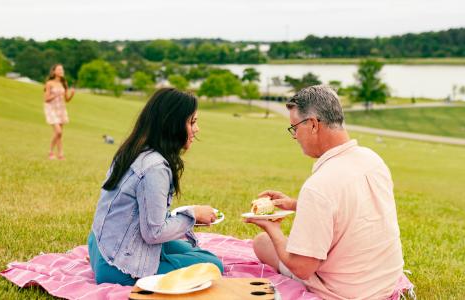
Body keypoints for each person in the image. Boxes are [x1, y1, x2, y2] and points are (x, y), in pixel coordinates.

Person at [245, 85, 405, 299]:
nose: (294, 136)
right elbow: (349, 208)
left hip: (347, 292)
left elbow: (303, 268)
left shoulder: (319, 186)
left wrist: (272, 227)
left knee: (262, 243)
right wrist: (293, 204)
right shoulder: (372, 159)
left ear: (312, 124)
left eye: (294, 128)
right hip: (386, 280)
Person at [88, 88, 223, 286]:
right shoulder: (154, 167)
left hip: (101, 247)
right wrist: (192, 215)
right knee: (213, 265)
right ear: (172, 124)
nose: (197, 129)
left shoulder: (133, 150)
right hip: (118, 266)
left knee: (196, 252)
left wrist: (188, 215)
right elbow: (154, 233)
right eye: (192, 121)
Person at [43, 64, 75, 160]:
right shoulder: (49, 83)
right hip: (51, 108)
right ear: (54, 71)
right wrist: (56, 95)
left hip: (61, 109)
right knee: (58, 131)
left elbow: (67, 99)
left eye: (62, 69)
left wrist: (72, 94)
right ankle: (50, 152)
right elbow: (46, 99)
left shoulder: (63, 83)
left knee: (60, 134)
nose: (61, 71)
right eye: (59, 69)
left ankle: (60, 154)